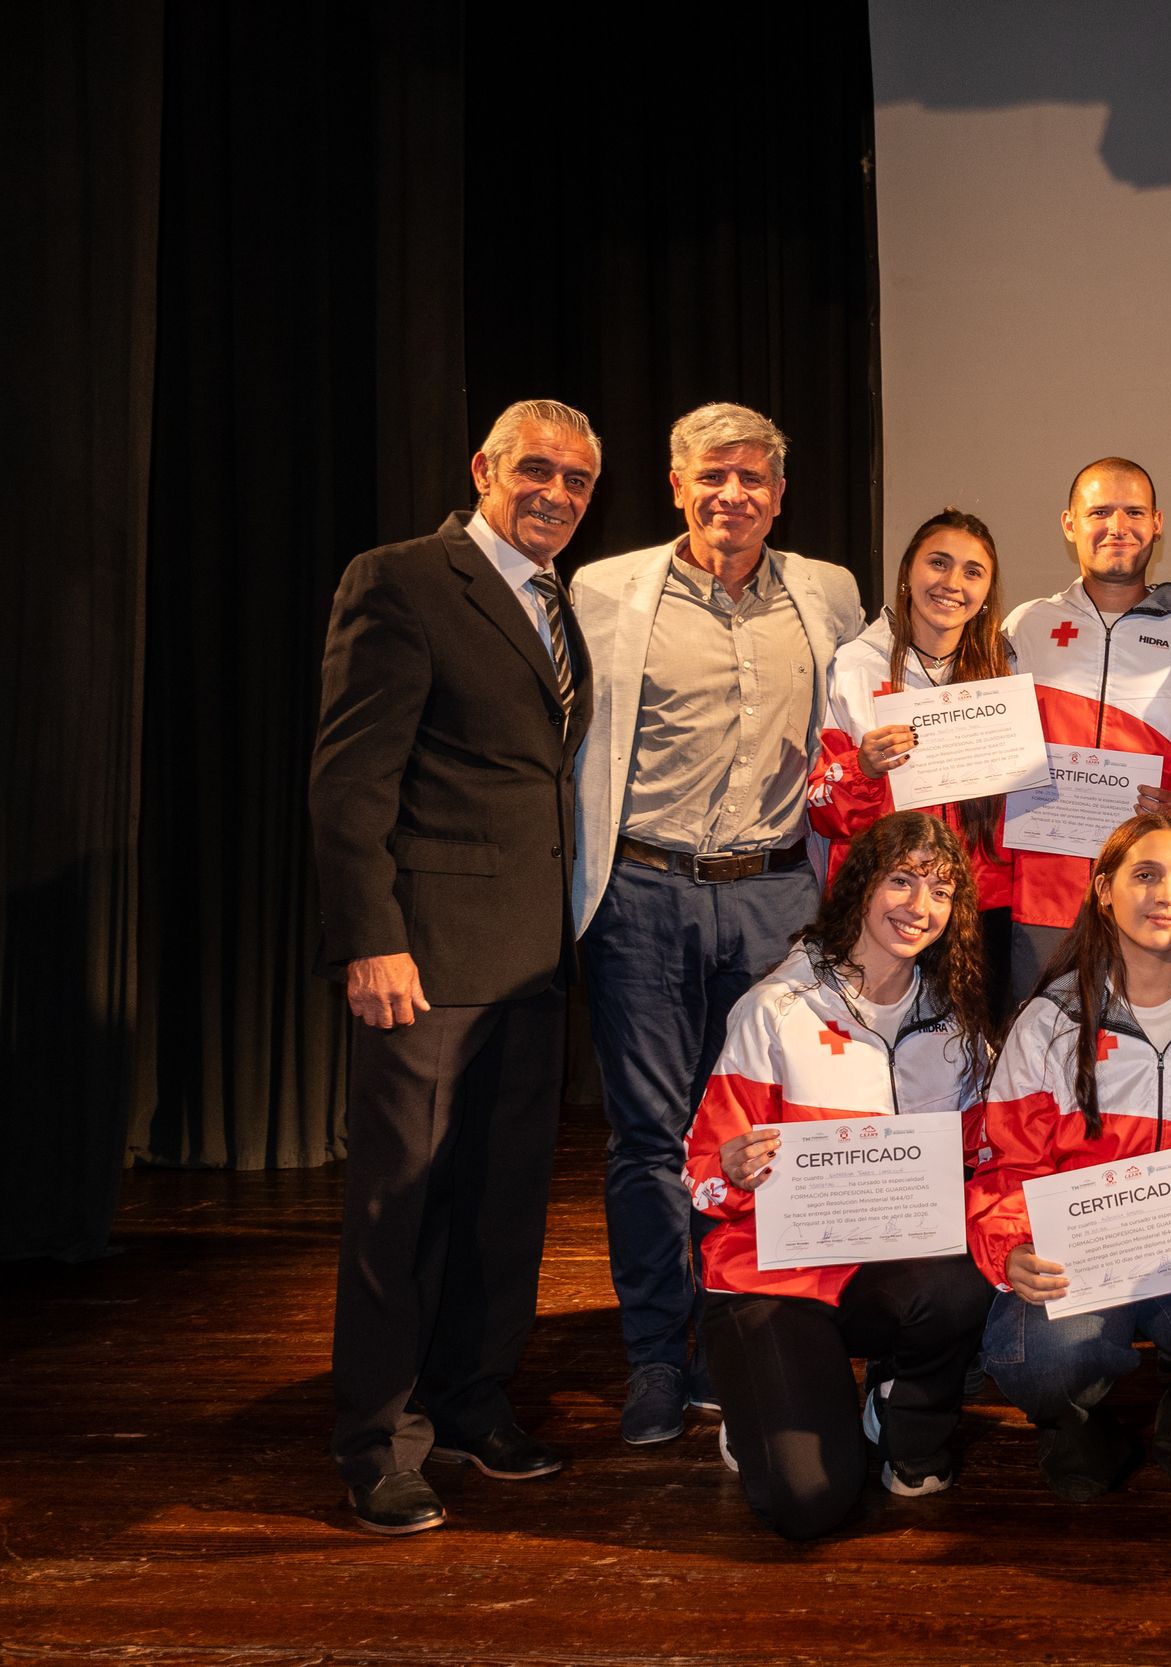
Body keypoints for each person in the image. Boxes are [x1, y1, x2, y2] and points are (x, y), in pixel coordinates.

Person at [310, 398, 602, 1535]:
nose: (557, 494)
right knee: (402, 1206)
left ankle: (473, 1402)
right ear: (483, 467)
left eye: (578, 482)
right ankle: (376, 1439)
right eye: (537, 470)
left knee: (500, 1205)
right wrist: (370, 936)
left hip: (532, 959)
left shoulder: (558, 604)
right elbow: (349, 781)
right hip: (425, 959)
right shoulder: (401, 579)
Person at [570, 402, 867, 1447]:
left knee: (762, 1130)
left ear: (781, 494)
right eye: (712, 476)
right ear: (677, 485)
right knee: (651, 1136)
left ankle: (746, 1334)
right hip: (644, 895)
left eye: (752, 478)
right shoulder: (604, 589)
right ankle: (659, 1352)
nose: (731, 494)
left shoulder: (828, 591)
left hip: (776, 895)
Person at [967, 814, 1171, 1501]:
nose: (1166, 893)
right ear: (1102, 891)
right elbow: (1007, 1165)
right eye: (1145, 875)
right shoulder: (1051, 1019)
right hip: (1084, 1250)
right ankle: (1085, 1436)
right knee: (1036, 1357)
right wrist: (1011, 1247)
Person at [683, 812, 997, 1539]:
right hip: (774, 1277)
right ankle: (755, 1410)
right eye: (902, 880)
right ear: (858, 883)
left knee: (971, 1269)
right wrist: (731, 1170)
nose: (921, 906)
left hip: (880, 1270)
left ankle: (898, 1410)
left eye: (942, 890)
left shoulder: (957, 1028)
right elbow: (701, 1166)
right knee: (811, 1503)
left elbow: (991, 1158)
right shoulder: (776, 1009)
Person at [1002, 458, 1171, 1001]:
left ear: (1157, 522)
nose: (1117, 526)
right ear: (1069, 523)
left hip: (1154, 907)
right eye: (1100, 511)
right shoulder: (1024, 626)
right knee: (1034, 1071)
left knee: (1147, 1069)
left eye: (1133, 512)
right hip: (1040, 903)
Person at [809, 509, 1017, 1023]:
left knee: (971, 1061)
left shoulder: (1004, 671)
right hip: (884, 907)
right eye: (938, 563)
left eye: (973, 572)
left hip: (978, 908)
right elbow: (822, 810)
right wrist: (863, 767)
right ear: (907, 572)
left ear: (988, 592)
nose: (952, 583)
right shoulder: (857, 665)